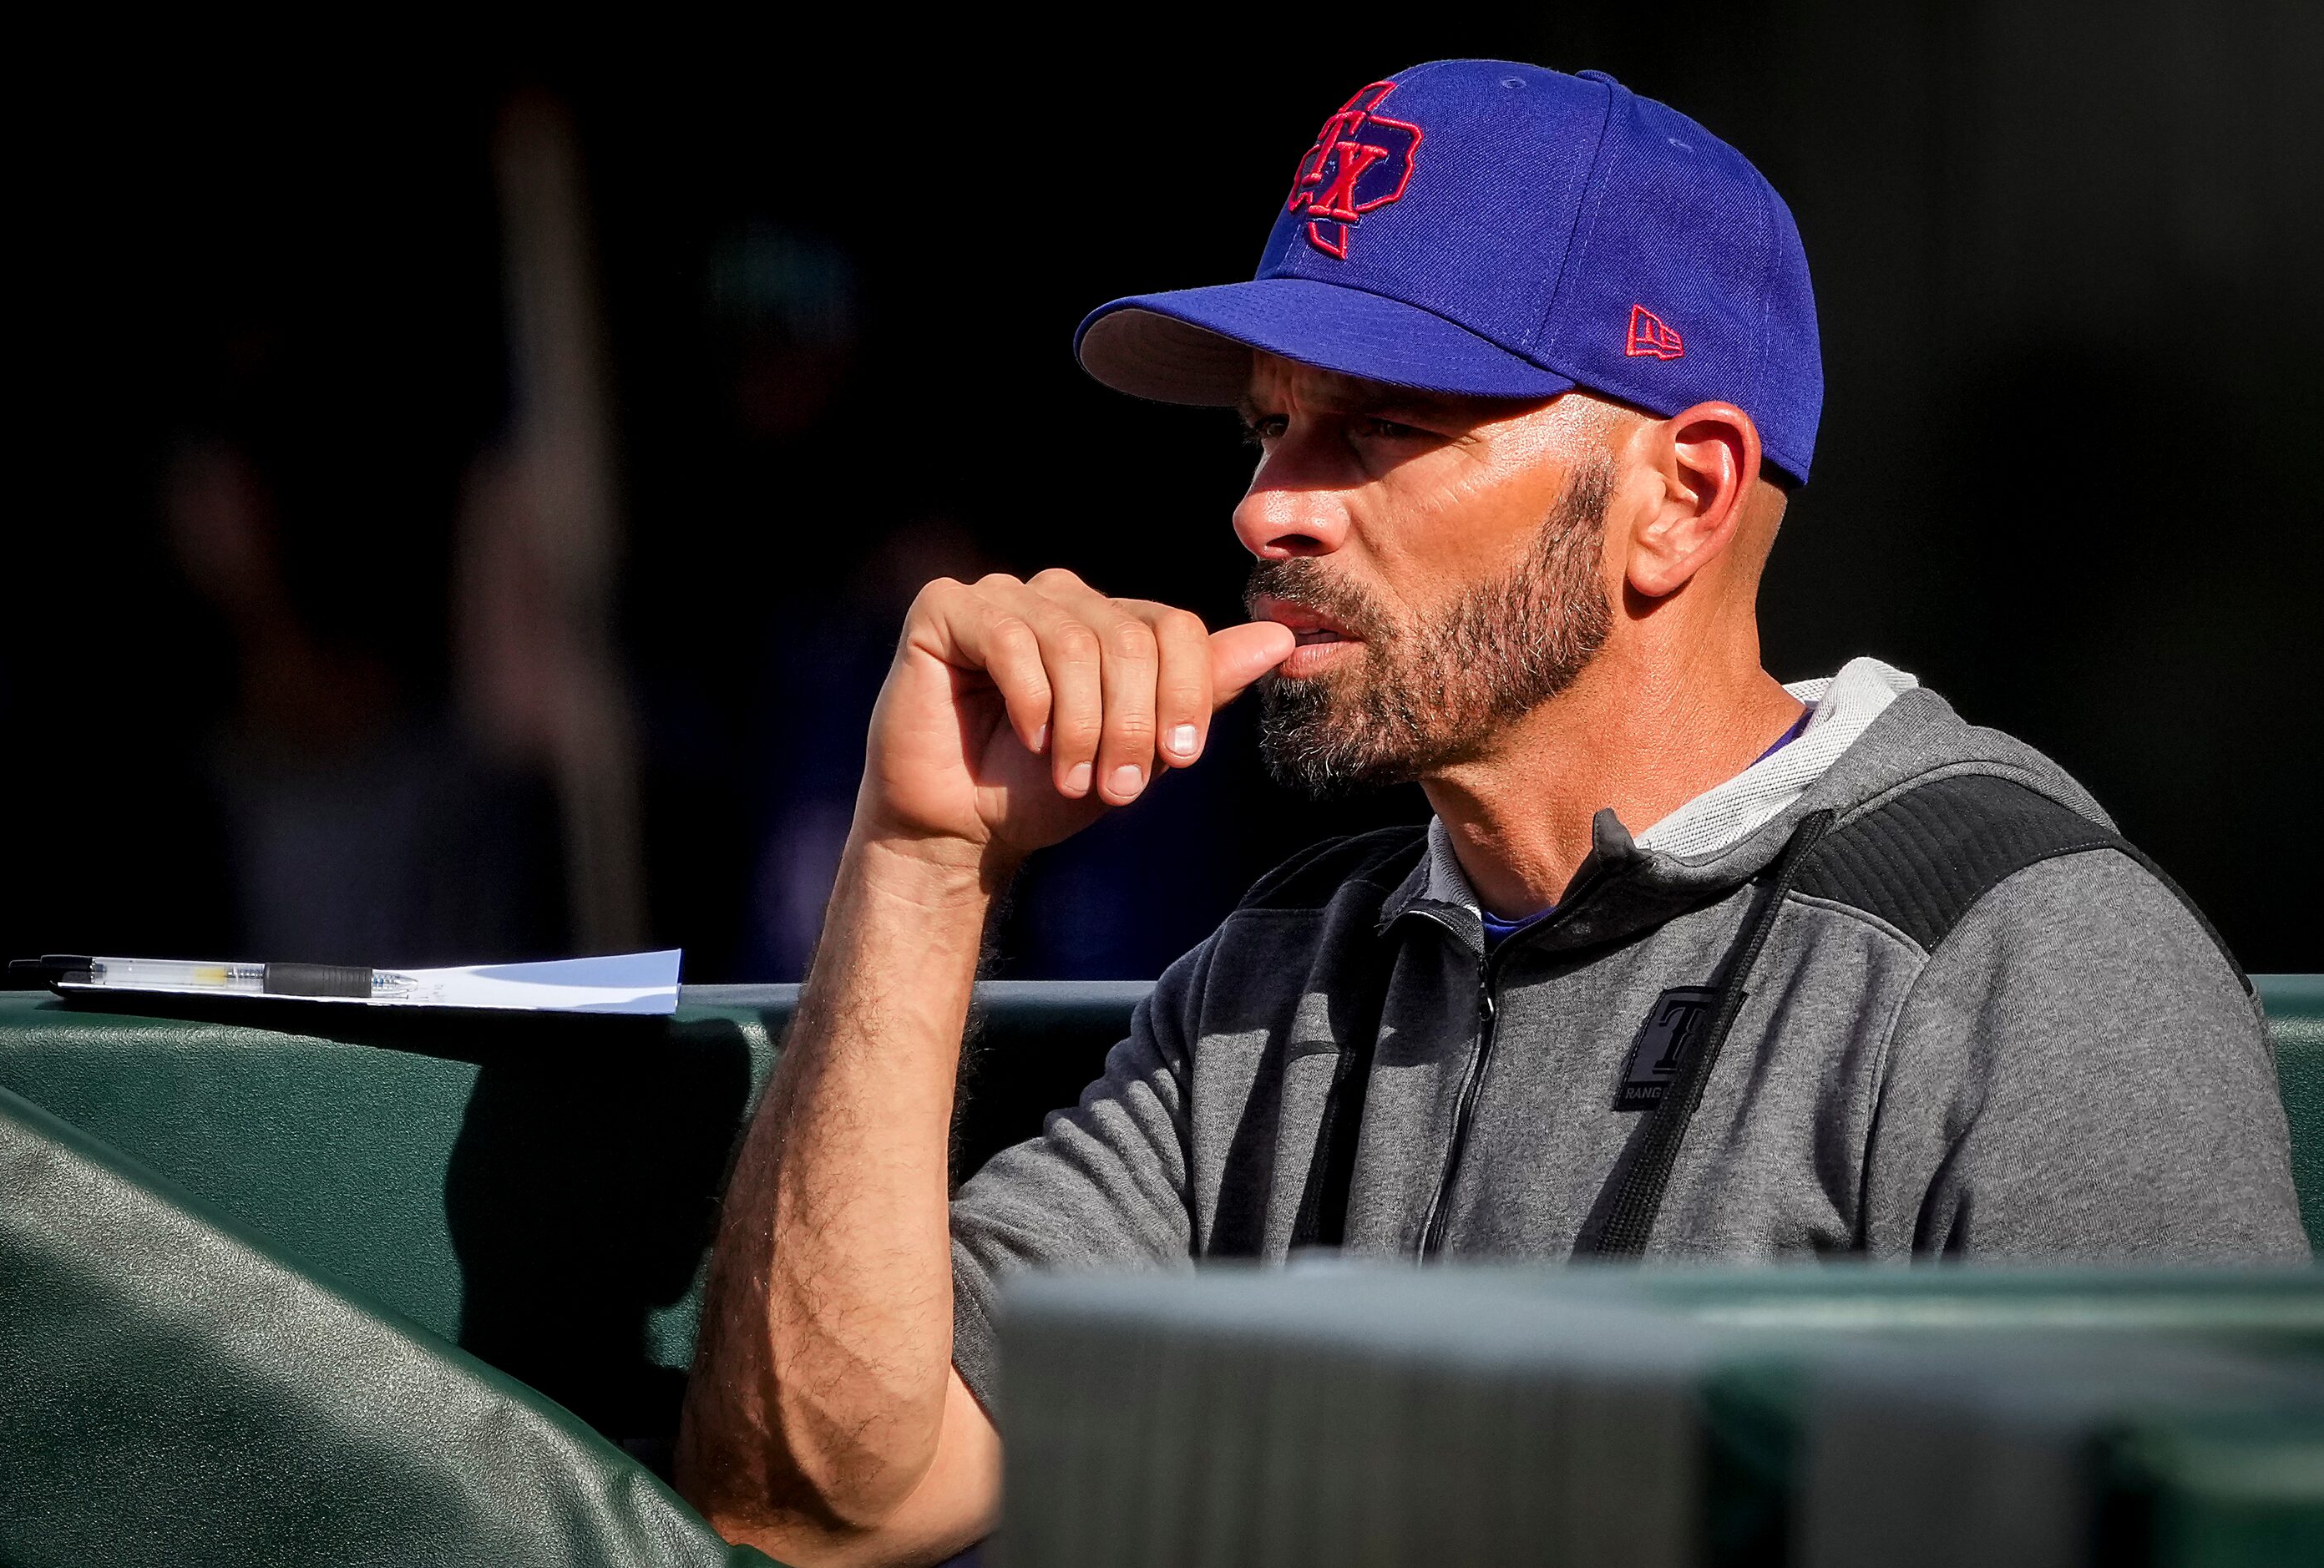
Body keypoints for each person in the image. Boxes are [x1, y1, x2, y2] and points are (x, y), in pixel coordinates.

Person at [673, 61, 2308, 1564]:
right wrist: (924, 858)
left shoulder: (2015, 959)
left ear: (1679, 496)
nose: (1263, 504)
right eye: (1264, 426)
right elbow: (816, 1498)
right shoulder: (1286, 972)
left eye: (1378, 423)